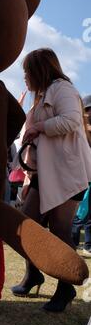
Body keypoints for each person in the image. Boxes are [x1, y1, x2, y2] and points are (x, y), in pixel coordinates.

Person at [11, 48, 91, 311]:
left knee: (60, 231)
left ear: (39, 70)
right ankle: (33, 274)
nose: (25, 77)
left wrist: (39, 128)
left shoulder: (62, 89)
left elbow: (70, 121)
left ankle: (65, 287)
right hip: (44, 174)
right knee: (27, 226)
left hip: (67, 174)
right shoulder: (44, 94)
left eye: (27, 71)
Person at [71, 95, 91, 257]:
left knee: (88, 216)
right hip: (82, 179)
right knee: (80, 214)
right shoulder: (80, 131)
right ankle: (72, 245)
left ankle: (88, 246)